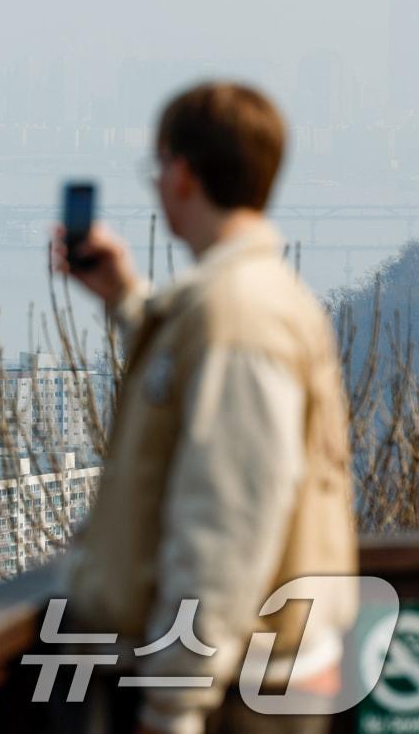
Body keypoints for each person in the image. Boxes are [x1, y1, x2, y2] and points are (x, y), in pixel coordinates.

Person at [54, 81, 357, 734]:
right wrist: (125, 297)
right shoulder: (252, 301)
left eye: (158, 167)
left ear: (183, 172)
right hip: (245, 681)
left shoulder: (240, 316)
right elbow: (198, 391)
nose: (158, 183)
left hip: (235, 697)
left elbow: (225, 528)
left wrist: (172, 704)